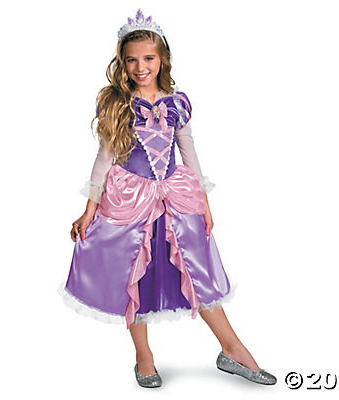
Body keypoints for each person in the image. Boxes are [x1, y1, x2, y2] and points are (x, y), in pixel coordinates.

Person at [57, 8, 277, 389]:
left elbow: (189, 153)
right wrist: (88, 209)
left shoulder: (177, 104)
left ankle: (233, 349)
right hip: (131, 198)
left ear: (162, 60)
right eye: (132, 60)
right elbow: (104, 159)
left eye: (148, 59)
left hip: (176, 197)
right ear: (122, 63)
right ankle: (144, 357)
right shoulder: (116, 104)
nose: (140, 67)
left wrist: (204, 203)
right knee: (134, 276)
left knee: (197, 270)